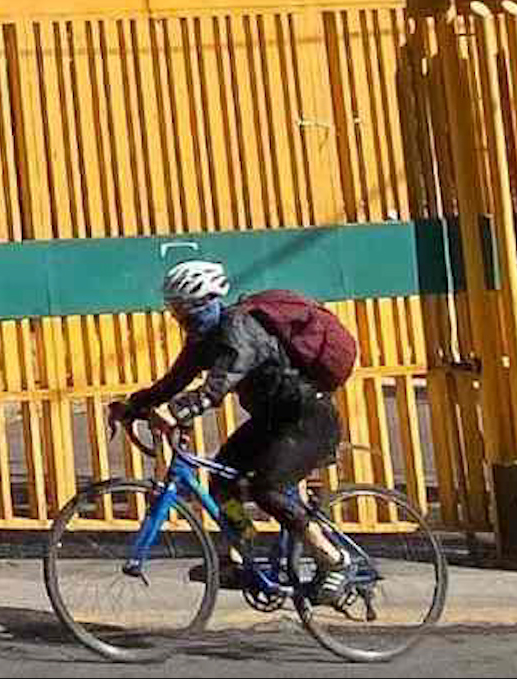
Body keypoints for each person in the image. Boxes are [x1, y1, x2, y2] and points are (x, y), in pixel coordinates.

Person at [111, 259, 352, 606]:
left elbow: (216, 388)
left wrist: (176, 411)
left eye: (186, 310)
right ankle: (245, 554)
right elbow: (173, 382)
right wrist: (132, 406)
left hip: (308, 418)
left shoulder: (240, 328)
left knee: (267, 488)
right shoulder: (203, 339)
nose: (181, 319)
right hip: (273, 420)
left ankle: (333, 561)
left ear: (207, 302)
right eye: (175, 311)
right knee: (222, 483)